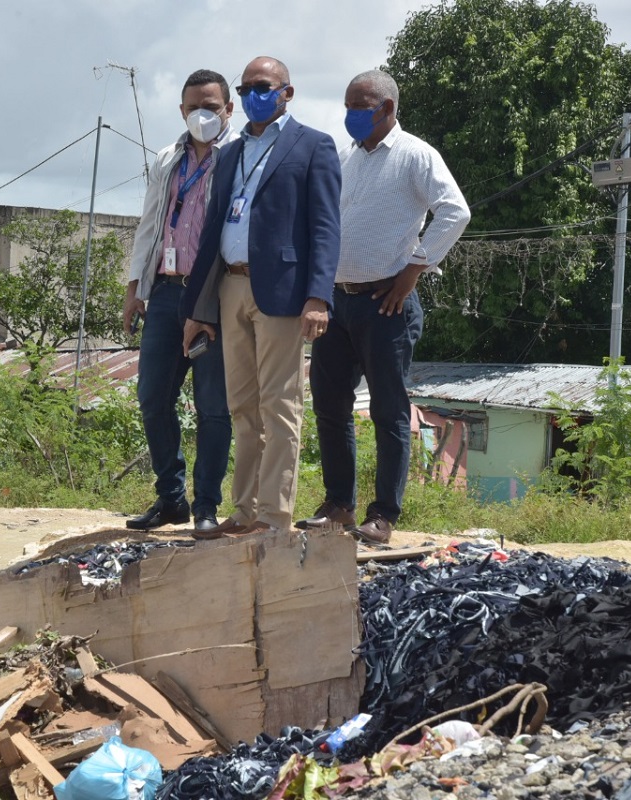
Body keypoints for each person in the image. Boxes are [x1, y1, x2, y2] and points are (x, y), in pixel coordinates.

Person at [298, 69, 470, 544]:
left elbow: (455, 211)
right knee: (330, 406)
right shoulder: (347, 158)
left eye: (360, 106)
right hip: (337, 300)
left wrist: (414, 269)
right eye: (348, 105)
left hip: (386, 304)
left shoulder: (415, 154)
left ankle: (383, 515)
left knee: (388, 411)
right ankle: (339, 506)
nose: (351, 114)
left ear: (387, 109)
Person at [182, 55, 341, 537]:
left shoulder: (314, 145)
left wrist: (318, 297)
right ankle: (246, 510)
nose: (255, 94)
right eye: (247, 86)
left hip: (283, 293)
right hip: (230, 287)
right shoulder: (229, 152)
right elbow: (212, 230)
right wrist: (198, 306)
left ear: (286, 92)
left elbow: (325, 229)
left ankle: (275, 516)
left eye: (264, 85)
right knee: (242, 408)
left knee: (280, 406)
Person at [122, 69, 237, 533]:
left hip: (214, 294)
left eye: (211, 106)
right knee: (152, 397)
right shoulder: (168, 157)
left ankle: (206, 505)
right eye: (193, 107)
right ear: (182, 110)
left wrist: (207, 300)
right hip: (167, 292)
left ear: (229, 108)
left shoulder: (240, 157)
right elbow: (149, 225)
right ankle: (171, 497)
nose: (202, 115)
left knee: (213, 406)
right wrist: (135, 289)